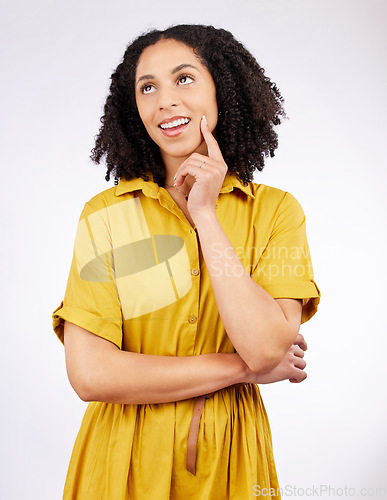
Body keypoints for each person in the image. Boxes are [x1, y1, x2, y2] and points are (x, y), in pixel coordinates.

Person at [52, 24, 321, 499]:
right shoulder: (106, 217)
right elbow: (91, 375)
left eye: (184, 79)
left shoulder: (277, 211)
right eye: (148, 87)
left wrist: (205, 217)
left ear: (223, 88)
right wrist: (242, 370)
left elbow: (264, 347)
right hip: (121, 461)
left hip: (233, 460)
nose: (164, 101)